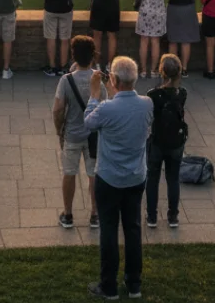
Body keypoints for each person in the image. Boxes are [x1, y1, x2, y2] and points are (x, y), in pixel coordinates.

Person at [83, 57, 153, 301]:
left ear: (113, 79)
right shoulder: (147, 104)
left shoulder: (107, 108)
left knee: (109, 231)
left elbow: (88, 123)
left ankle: (109, 286)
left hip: (110, 178)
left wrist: (94, 94)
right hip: (135, 177)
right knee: (133, 230)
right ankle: (134, 284)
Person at [52, 34, 105, 230]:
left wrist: (60, 131)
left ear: (73, 55)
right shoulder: (98, 80)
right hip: (94, 136)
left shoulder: (66, 81)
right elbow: (105, 107)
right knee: (94, 175)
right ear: (93, 56)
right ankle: (95, 215)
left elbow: (58, 109)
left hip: (72, 134)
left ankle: (68, 214)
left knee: (69, 173)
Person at [145, 53, 187, 230]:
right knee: (173, 178)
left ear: (162, 72)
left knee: (152, 178)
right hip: (176, 141)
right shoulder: (182, 93)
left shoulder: (152, 95)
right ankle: (173, 216)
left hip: (157, 141)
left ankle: (152, 216)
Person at [134, 0, 168, 80]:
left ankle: (143, 70)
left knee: (144, 41)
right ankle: (153, 70)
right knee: (155, 41)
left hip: (145, 11)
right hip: (158, 12)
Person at [165, 0, 199, 77]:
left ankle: (172, 68)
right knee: (186, 40)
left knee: (173, 40)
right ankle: (184, 68)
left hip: (174, 9)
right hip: (187, 9)